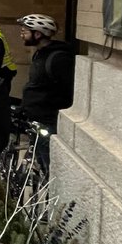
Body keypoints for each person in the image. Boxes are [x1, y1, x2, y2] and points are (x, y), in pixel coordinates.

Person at [17, 13, 76, 173]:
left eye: (24, 31)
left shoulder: (59, 58)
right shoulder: (39, 53)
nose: (21, 35)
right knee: (40, 160)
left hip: (48, 120)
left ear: (38, 34)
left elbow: (68, 91)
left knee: (48, 165)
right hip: (35, 118)